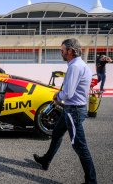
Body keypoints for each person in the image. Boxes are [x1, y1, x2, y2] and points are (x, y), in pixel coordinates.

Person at [33, 38, 97, 184]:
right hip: (72, 109)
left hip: (73, 111)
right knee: (56, 133)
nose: (61, 52)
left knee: (79, 146)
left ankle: (91, 181)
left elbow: (67, 93)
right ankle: (46, 160)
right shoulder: (80, 64)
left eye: (63, 50)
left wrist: (57, 96)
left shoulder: (75, 67)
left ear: (71, 51)